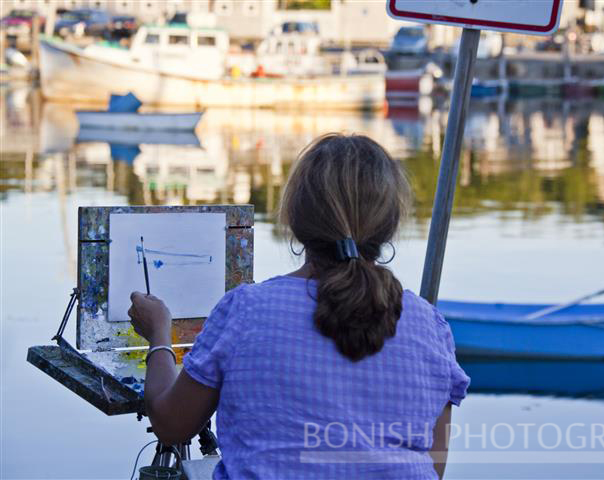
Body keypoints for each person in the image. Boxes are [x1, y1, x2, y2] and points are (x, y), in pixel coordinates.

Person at [128, 133, 470, 479]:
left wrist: (159, 332)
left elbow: (171, 425)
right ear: (390, 224)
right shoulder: (430, 326)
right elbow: (433, 467)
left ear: (294, 217)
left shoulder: (246, 311)